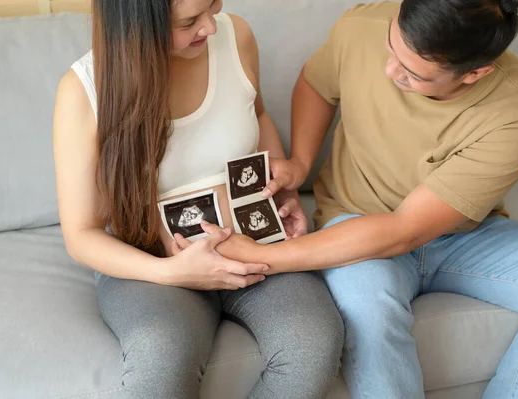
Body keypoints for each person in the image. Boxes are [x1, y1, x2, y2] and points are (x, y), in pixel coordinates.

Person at [203, 1, 518, 398]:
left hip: (459, 235)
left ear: (475, 73)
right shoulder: (365, 23)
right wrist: (299, 161)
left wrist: (264, 257)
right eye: (391, 48)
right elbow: (317, 83)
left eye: (413, 74)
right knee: (369, 314)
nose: (390, 71)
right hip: (351, 221)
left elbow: (404, 230)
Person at [52, 0, 343, 398]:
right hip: (152, 263)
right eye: (189, 21)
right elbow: (81, 234)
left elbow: (256, 115)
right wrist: (170, 274)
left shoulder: (235, 35)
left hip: (254, 243)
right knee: (161, 358)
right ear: (139, 26)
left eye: (213, 4)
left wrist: (284, 192)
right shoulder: (84, 92)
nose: (210, 26)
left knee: (313, 343)